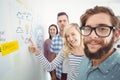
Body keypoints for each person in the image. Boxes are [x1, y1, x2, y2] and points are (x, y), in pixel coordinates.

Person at [76, 6, 120, 80]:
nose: (92, 36)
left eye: (102, 29)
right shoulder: (85, 58)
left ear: (116, 35)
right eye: (87, 28)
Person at [50, 12, 69, 80]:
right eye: (60, 21)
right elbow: (52, 58)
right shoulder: (54, 39)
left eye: (64, 20)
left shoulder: (74, 38)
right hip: (58, 75)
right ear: (57, 23)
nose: (62, 23)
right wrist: (53, 74)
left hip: (72, 76)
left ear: (68, 22)